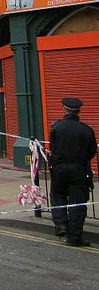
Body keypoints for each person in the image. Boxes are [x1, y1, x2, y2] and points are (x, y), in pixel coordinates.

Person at [49, 97, 97, 247]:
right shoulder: (86, 129)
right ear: (79, 111)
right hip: (78, 169)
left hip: (59, 168)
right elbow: (92, 151)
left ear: (64, 109)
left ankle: (61, 225)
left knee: (58, 196)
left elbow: (52, 146)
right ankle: (74, 237)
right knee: (78, 203)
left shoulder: (56, 127)